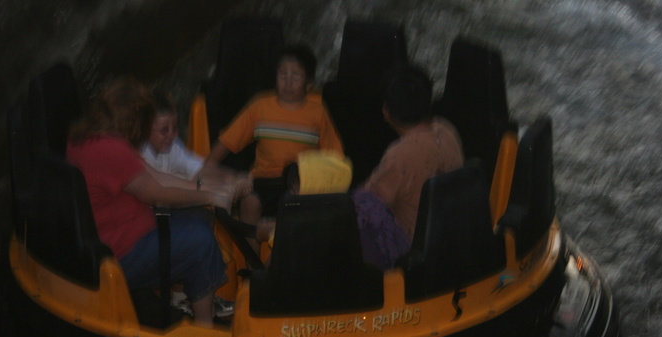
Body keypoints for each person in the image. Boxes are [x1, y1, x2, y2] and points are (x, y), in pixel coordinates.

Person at [66, 77, 229, 326]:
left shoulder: (89, 137)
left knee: (200, 216)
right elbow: (157, 194)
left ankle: (180, 297)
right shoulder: (111, 150)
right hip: (121, 252)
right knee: (200, 240)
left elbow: (159, 177)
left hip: (120, 232)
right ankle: (205, 325)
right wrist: (209, 195)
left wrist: (210, 188)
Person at [208, 44, 344, 228]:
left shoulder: (318, 113)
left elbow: (334, 157)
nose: (288, 81)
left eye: (295, 75)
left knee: (297, 204)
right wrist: (204, 169)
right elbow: (227, 141)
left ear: (309, 84)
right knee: (249, 202)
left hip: (296, 184)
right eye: (282, 74)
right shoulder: (260, 106)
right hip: (261, 181)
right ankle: (251, 257)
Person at [355, 64, 464, 270]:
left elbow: (371, 204)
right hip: (446, 236)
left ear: (386, 112)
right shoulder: (446, 129)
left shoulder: (400, 155)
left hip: (412, 248)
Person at [141, 89, 251, 211]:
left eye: (175, 127)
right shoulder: (139, 152)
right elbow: (163, 185)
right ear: (145, 130)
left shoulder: (172, 146)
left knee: (188, 177)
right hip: (146, 213)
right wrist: (215, 191)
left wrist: (233, 178)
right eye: (164, 130)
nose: (172, 135)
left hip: (164, 209)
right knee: (181, 178)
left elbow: (199, 171)